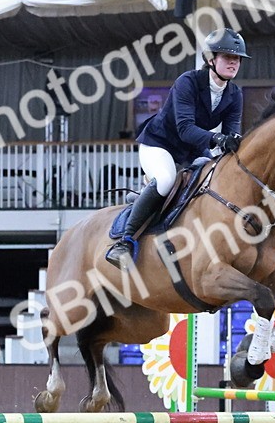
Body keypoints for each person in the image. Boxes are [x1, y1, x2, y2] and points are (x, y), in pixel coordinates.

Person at [104, 28, 249, 270]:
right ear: (211, 59)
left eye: (237, 59)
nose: (234, 63)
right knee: (166, 180)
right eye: (227, 57)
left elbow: (231, 132)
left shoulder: (234, 94)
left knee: (213, 180)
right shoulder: (188, 82)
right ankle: (125, 242)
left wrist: (231, 143)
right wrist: (219, 139)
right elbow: (185, 129)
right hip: (160, 144)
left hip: (192, 151)